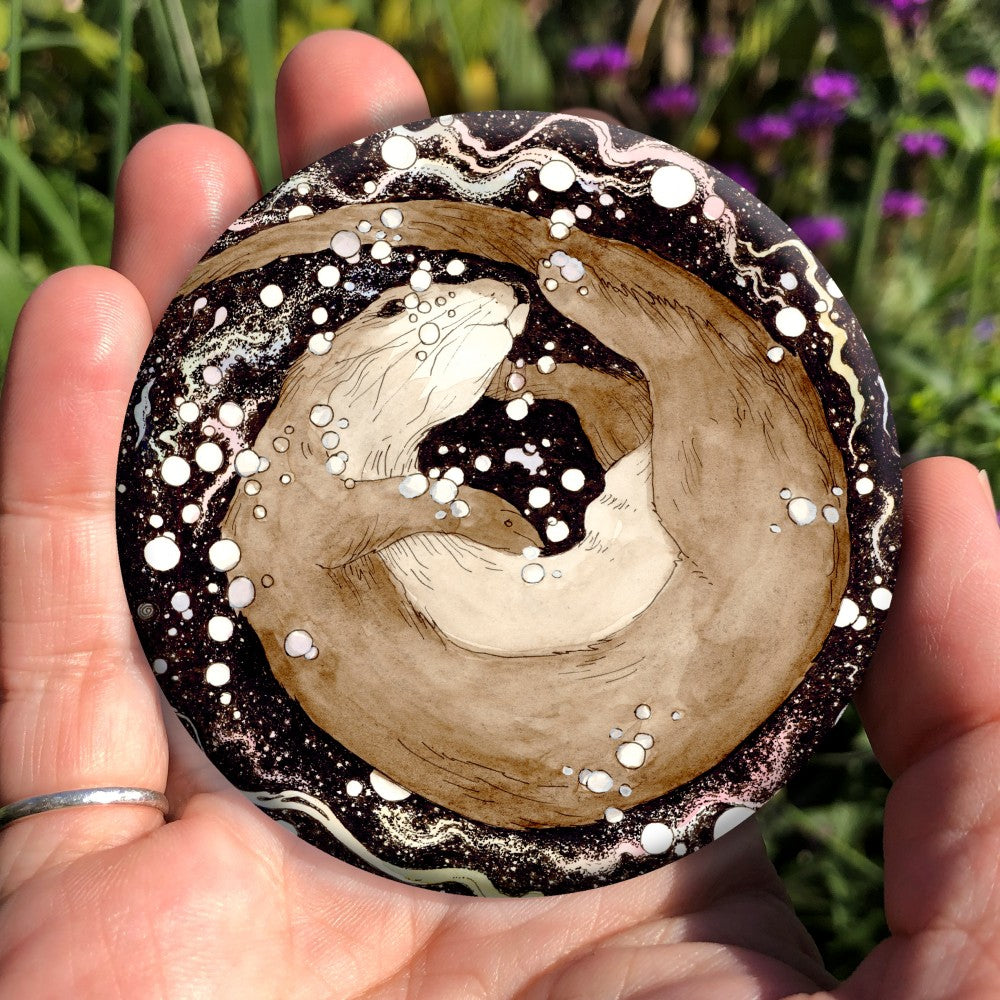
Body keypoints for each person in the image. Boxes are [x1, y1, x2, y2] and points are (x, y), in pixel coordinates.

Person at [0, 30, 997, 999]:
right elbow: (388, 524)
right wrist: (460, 499)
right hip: (538, 651)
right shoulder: (302, 480)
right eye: (399, 314)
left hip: (594, 634)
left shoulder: (634, 487)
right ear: (320, 377)